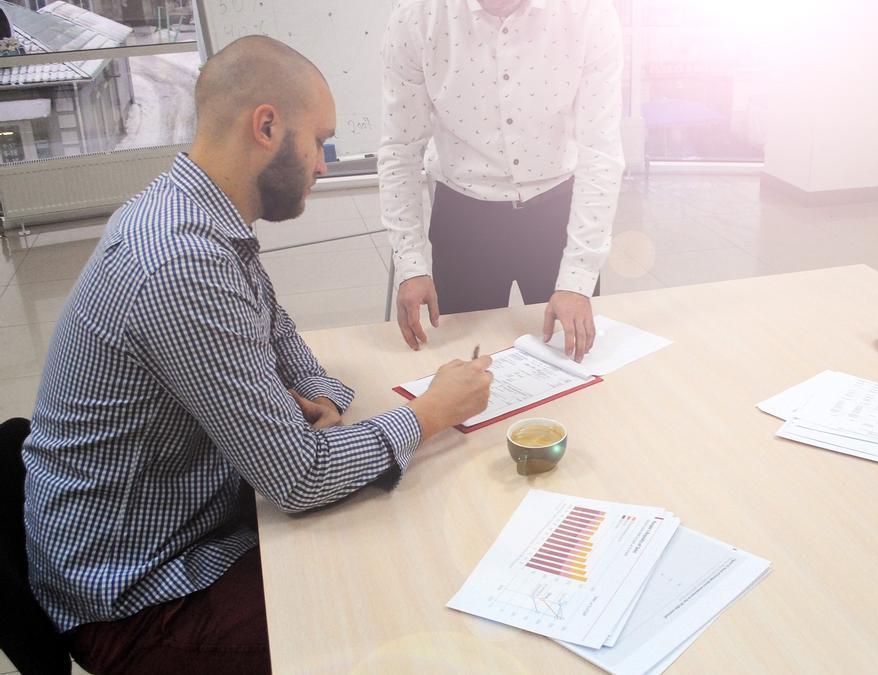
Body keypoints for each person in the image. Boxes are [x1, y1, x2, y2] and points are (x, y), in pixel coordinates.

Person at [22, 36, 493, 675]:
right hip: (139, 595)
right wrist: (431, 411)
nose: (325, 164)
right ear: (267, 126)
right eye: (320, 141)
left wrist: (320, 399)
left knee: (387, 538)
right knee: (395, 615)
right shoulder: (180, 262)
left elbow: (282, 339)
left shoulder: (196, 214)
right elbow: (297, 479)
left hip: (184, 518)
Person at [379, 0, 625, 362]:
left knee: (572, 363)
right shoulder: (418, 15)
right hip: (464, 220)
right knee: (461, 366)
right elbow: (400, 147)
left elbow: (600, 151)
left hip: (557, 215)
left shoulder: (588, 12)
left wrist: (578, 276)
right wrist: (411, 264)